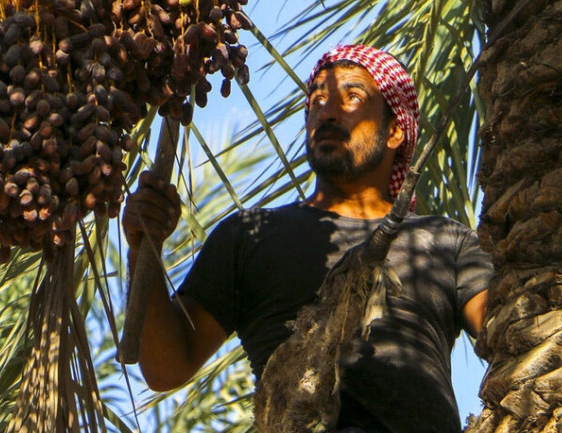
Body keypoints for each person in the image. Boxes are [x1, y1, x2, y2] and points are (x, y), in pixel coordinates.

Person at [123, 45, 492, 433]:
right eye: (317, 99)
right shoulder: (251, 236)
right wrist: (142, 247)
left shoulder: (445, 240)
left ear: (396, 130)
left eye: (353, 97)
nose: (327, 112)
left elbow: (510, 333)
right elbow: (166, 368)